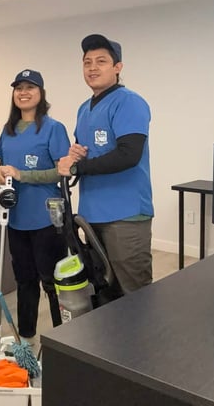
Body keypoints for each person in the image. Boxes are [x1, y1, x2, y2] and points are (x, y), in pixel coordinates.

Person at [57, 34, 153, 302]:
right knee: (104, 289)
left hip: (125, 215)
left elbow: (128, 155)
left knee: (135, 293)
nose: (92, 68)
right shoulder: (84, 108)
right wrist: (75, 156)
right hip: (93, 214)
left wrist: (78, 169)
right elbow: (86, 152)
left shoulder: (129, 102)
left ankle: (142, 345)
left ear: (118, 67)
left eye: (101, 61)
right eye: (87, 62)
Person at [0, 69, 70, 341]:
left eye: (30, 88)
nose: (23, 93)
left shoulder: (53, 128)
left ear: (41, 93)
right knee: (25, 280)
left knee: (52, 282)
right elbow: (0, 167)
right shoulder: (8, 130)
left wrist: (23, 175)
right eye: (18, 88)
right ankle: (26, 337)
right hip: (16, 217)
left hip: (47, 217)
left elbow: (63, 171)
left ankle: (64, 339)